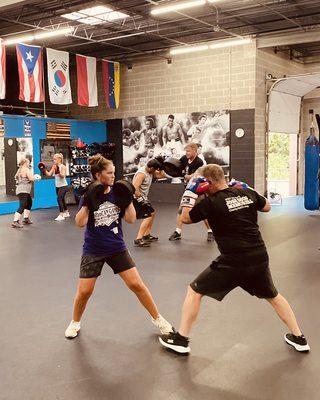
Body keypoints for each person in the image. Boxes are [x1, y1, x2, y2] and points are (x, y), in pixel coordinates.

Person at [159, 164, 310, 354]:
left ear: (208, 183)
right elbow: (267, 207)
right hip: (259, 256)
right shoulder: (245, 193)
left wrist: (190, 193)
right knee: (273, 296)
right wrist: (249, 190)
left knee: (194, 291)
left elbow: (186, 219)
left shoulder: (210, 202)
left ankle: (181, 340)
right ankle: (299, 337)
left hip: (233, 261)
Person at [65, 155, 172, 339]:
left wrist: (128, 200)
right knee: (84, 291)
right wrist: (89, 203)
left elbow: (130, 219)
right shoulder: (89, 194)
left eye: (114, 172)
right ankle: (75, 322)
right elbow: (79, 223)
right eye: (109, 173)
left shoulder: (118, 192)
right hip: (94, 249)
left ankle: (158, 319)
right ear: (98, 175)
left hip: (116, 247)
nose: (114, 176)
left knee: (136, 284)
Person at [169, 143, 214, 242]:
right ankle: (178, 232)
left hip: (199, 190)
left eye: (188, 151)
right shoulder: (184, 158)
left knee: (203, 211)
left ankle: (210, 231)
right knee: (181, 210)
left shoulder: (199, 162)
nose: (186, 153)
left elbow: (193, 176)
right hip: (188, 190)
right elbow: (176, 167)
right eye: (186, 151)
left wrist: (182, 175)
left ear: (195, 151)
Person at [132, 159, 164, 247]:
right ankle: (138, 239)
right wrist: (142, 200)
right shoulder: (141, 174)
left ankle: (146, 235)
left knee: (152, 213)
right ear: (151, 168)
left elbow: (160, 176)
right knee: (148, 215)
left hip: (143, 197)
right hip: (137, 198)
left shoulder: (150, 171)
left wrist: (162, 168)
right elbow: (134, 188)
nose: (155, 172)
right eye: (155, 169)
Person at [39, 153, 70, 221]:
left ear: (59, 159)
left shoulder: (63, 166)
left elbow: (63, 176)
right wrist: (43, 170)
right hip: (57, 186)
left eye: (55, 159)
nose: (54, 160)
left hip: (64, 186)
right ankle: (66, 212)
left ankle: (61, 215)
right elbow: (49, 174)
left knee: (59, 199)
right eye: (53, 159)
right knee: (62, 199)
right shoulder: (54, 166)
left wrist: (58, 171)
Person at [12, 158, 41, 228]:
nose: (29, 163)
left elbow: (15, 177)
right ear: (25, 163)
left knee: (29, 203)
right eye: (28, 162)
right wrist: (37, 177)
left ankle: (26, 219)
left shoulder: (19, 170)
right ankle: (15, 221)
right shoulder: (26, 169)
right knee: (23, 205)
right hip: (23, 190)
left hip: (21, 190)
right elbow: (31, 178)